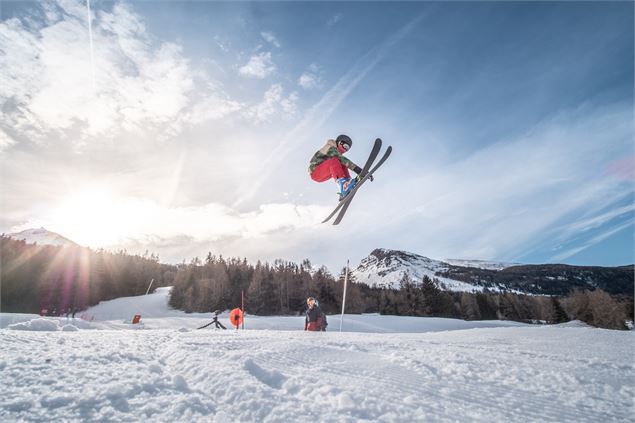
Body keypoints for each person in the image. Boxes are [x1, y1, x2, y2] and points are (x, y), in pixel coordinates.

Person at [309, 134, 372, 200]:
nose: (345, 149)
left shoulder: (338, 155)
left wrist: (362, 174)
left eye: (347, 148)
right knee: (337, 160)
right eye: (345, 146)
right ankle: (343, 184)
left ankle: (347, 183)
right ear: (340, 142)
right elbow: (340, 158)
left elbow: (343, 161)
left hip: (323, 174)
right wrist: (358, 170)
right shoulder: (330, 147)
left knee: (342, 163)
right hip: (315, 171)